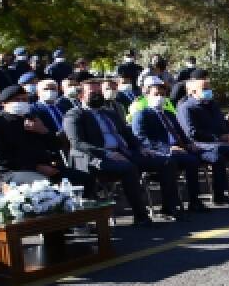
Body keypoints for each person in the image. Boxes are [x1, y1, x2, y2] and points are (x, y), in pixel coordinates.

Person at [63, 84, 183, 224]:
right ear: (81, 96)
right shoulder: (74, 114)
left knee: (167, 162)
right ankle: (141, 216)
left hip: (123, 152)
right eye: (92, 92)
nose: (97, 95)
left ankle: (169, 208)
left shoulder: (110, 113)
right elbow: (77, 143)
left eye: (99, 92)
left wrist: (140, 148)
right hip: (96, 158)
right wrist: (107, 153)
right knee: (129, 168)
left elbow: (127, 133)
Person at [0, 85, 92, 193]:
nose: (21, 102)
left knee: (83, 178)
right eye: (17, 100)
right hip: (14, 172)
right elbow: (0, 159)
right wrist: (36, 167)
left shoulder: (32, 118)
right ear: (4, 103)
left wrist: (44, 131)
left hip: (46, 166)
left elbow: (56, 146)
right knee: (43, 184)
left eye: (24, 99)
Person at [129, 78, 210, 212]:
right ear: (147, 96)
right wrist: (168, 149)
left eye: (163, 94)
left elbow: (180, 132)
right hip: (161, 152)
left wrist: (189, 144)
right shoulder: (142, 114)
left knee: (194, 160)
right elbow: (141, 138)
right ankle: (169, 206)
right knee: (170, 163)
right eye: (156, 94)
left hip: (179, 149)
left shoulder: (169, 114)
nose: (160, 97)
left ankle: (194, 201)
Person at [178, 78, 229, 200]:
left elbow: (224, 123)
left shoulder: (212, 105)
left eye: (209, 88)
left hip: (222, 139)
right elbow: (192, 133)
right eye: (204, 89)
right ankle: (221, 193)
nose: (208, 91)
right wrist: (218, 137)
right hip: (202, 143)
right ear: (192, 92)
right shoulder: (186, 108)